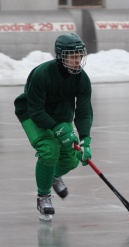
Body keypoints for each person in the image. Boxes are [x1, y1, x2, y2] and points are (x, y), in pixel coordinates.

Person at [14, 33, 93, 221]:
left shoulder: (82, 79)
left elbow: (83, 112)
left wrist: (85, 140)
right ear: (61, 56)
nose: (77, 60)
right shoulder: (42, 74)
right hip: (33, 114)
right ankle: (43, 197)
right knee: (49, 150)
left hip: (60, 116)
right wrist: (58, 129)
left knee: (70, 160)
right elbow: (36, 110)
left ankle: (54, 175)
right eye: (72, 56)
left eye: (80, 55)